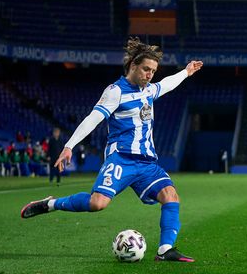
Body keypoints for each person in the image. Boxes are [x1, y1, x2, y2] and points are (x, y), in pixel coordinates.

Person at [20, 37, 203, 263]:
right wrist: (69, 146)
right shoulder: (116, 91)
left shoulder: (149, 90)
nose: (149, 75)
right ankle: (50, 203)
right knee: (97, 204)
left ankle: (165, 250)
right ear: (133, 66)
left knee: (170, 196)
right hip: (121, 160)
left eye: (153, 71)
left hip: (147, 164)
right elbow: (93, 119)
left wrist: (186, 72)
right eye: (146, 69)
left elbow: (167, 84)